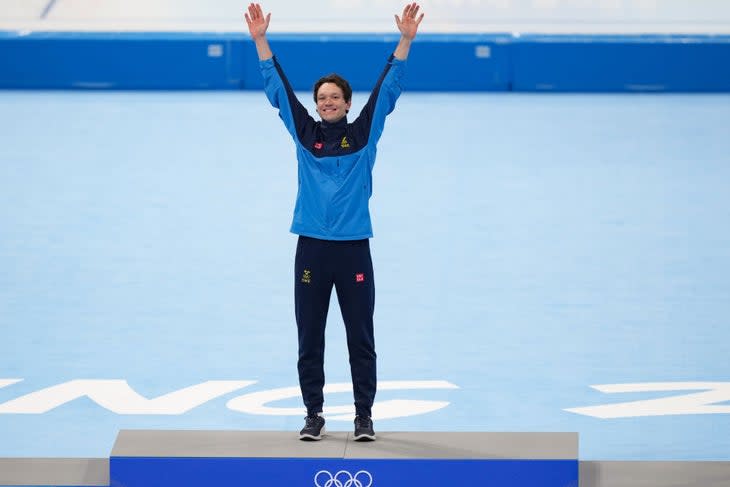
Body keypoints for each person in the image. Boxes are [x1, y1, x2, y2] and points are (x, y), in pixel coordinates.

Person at [244, 2, 424, 442]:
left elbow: (389, 88)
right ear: (316, 104)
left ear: (347, 103)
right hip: (311, 248)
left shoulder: (363, 134)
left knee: (360, 337)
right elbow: (277, 91)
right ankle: (314, 414)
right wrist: (261, 42)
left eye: (334, 98)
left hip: (352, 249)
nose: (327, 103)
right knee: (310, 338)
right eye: (321, 98)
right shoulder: (304, 134)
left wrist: (404, 41)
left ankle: (364, 416)